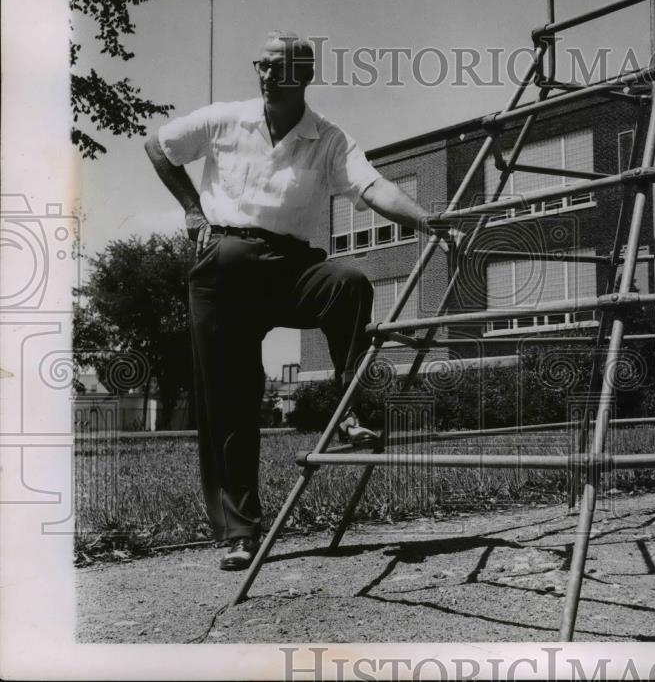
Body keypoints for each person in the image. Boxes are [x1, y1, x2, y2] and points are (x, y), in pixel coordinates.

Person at [144, 30, 459, 570]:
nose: (266, 75)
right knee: (231, 402)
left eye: (279, 67)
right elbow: (159, 145)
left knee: (349, 283)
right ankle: (241, 532)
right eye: (261, 66)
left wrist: (426, 220)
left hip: (292, 267)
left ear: (304, 75)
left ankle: (345, 410)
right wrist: (193, 210)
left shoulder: (328, 139)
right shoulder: (225, 118)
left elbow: (373, 187)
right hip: (223, 266)